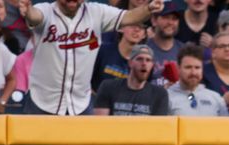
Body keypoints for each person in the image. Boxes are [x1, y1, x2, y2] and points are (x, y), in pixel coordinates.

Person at [19, 0, 164, 115]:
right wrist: (28, 11)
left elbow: (129, 16)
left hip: (80, 105)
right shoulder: (46, 10)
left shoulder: (96, 12)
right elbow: (35, 16)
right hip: (42, 103)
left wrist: (149, 9)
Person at [93, 43, 168, 114]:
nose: (144, 63)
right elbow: (100, 123)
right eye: (139, 59)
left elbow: (158, 126)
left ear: (152, 65)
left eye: (148, 60)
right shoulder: (108, 87)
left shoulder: (159, 94)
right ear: (130, 63)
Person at [167, 42, 229, 115]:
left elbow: (226, 126)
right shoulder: (166, 97)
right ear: (178, 69)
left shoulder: (215, 97)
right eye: (188, 67)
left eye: (197, 68)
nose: (193, 72)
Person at [91, 20, 147, 91]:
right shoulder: (102, 50)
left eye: (142, 27)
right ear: (120, 28)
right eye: (132, 25)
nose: (137, 29)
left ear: (144, 35)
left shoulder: (144, 61)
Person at [147, 0, 184, 85]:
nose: (170, 22)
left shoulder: (184, 51)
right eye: (166, 17)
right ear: (154, 20)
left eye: (174, 19)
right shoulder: (144, 50)